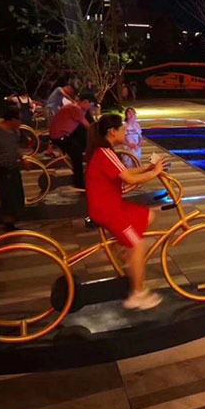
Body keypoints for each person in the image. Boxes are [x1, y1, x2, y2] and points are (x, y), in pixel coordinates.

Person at [85, 113, 169, 310]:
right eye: (123, 129)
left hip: (114, 205)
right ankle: (137, 294)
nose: (126, 132)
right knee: (139, 245)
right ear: (113, 132)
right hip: (107, 211)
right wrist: (155, 172)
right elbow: (130, 179)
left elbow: (125, 172)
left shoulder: (106, 151)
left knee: (149, 215)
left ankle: (125, 249)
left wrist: (149, 168)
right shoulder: (105, 153)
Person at [0, 106, 29, 232]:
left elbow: (14, 148)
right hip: (1, 169)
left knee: (17, 196)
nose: (20, 123)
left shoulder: (15, 132)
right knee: (7, 197)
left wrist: (22, 159)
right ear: (12, 120)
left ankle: (12, 221)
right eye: (19, 120)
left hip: (13, 168)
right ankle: (8, 224)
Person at [49, 93, 95, 191]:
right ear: (86, 102)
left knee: (81, 142)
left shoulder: (74, 107)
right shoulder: (76, 109)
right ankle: (79, 183)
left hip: (63, 135)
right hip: (60, 137)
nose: (90, 108)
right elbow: (88, 126)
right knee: (77, 156)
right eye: (90, 105)